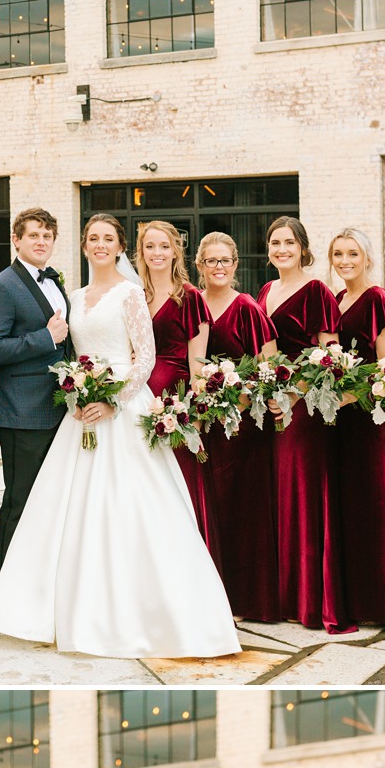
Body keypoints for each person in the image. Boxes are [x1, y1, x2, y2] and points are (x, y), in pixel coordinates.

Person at [0, 213, 239, 659]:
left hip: (122, 408)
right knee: (67, 511)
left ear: (121, 248)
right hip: (80, 412)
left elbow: (145, 359)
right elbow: (69, 352)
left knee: (133, 509)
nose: (100, 245)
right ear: (84, 246)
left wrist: (113, 400)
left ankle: (147, 615)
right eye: (93, 239)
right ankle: (60, 609)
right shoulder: (73, 298)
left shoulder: (131, 293)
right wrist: (77, 393)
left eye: (109, 239)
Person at [258, 218, 349, 632]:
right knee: (281, 496)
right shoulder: (265, 291)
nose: (281, 249)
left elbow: (330, 355)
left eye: (289, 243)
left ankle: (313, 599)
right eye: (275, 243)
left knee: (305, 496)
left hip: (307, 408)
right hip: (273, 405)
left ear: (303, 248)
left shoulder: (317, 291)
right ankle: (287, 595)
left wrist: (294, 394)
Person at [0, 206, 70, 564]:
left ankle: (38, 579)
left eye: (47, 235)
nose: (41, 241)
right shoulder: (3, 286)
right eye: (34, 235)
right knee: (20, 500)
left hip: (57, 408)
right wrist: (44, 338)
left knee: (48, 501)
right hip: (22, 413)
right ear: (16, 240)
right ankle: (9, 586)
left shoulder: (53, 280)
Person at [194, 232, 272, 620]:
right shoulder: (193, 304)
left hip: (243, 426)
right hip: (204, 424)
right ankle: (209, 593)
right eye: (211, 261)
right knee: (208, 509)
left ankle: (245, 598)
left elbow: (270, 367)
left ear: (236, 265)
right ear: (200, 265)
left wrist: (241, 398)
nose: (218, 267)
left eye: (225, 260)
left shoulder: (247, 308)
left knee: (243, 508)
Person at [328, 228, 385, 629]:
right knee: (347, 508)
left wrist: (351, 398)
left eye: (352, 253)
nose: (344, 260)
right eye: (338, 254)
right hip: (339, 420)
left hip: (369, 417)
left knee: (372, 507)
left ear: (367, 257)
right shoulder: (338, 300)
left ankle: (378, 603)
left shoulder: (378, 300)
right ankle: (352, 596)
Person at [139, 220, 212, 539]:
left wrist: (192, 417)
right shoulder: (133, 295)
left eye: (164, 246)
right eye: (150, 246)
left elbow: (199, 366)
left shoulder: (191, 297)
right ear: (140, 252)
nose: (157, 252)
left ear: (175, 252)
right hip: (136, 403)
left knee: (177, 489)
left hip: (176, 406)